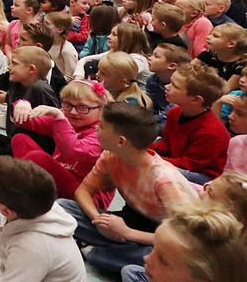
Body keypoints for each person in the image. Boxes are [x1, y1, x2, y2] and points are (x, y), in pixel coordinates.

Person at [61, 102, 199, 275]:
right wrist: (99, 220)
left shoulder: (164, 180)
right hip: (130, 221)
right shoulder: (111, 155)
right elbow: (83, 191)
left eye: (102, 126)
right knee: (63, 207)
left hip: (164, 235)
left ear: (121, 141)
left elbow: (186, 239)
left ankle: (94, 252)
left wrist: (127, 233)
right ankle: (102, 248)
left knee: (151, 262)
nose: (97, 129)